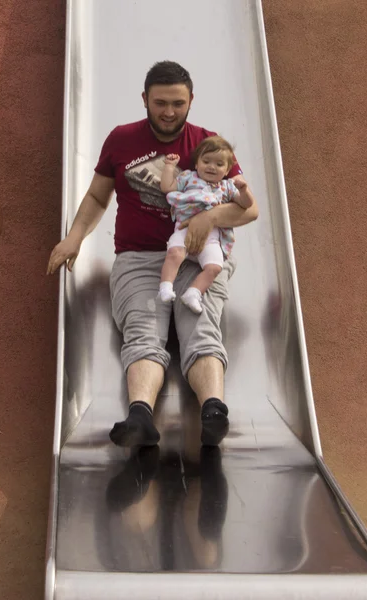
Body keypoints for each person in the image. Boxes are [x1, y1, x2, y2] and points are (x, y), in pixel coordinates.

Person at [47, 60, 259, 447]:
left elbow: (249, 208)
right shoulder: (121, 139)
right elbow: (98, 195)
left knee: (201, 327)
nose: (168, 112)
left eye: (178, 103)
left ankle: (213, 411)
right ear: (144, 99)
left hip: (196, 258)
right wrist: (74, 237)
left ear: (191, 100)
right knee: (144, 331)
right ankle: (140, 415)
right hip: (140, 258)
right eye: (160, 102)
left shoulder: (207, 144)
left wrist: (208, 218)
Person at [158, 136, 254, 314]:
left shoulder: (227, 187)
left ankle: (194, 293)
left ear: (227, 170)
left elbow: (246, 204)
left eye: (219, 164)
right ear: (196, 164)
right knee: (174, 253)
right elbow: (167, 187)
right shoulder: (188, 177)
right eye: (206, 161)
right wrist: (169, 167)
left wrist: (243, 190)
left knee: (214, 267)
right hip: (184, 229)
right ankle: (165, 287)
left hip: (211, 238)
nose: (211, 166)